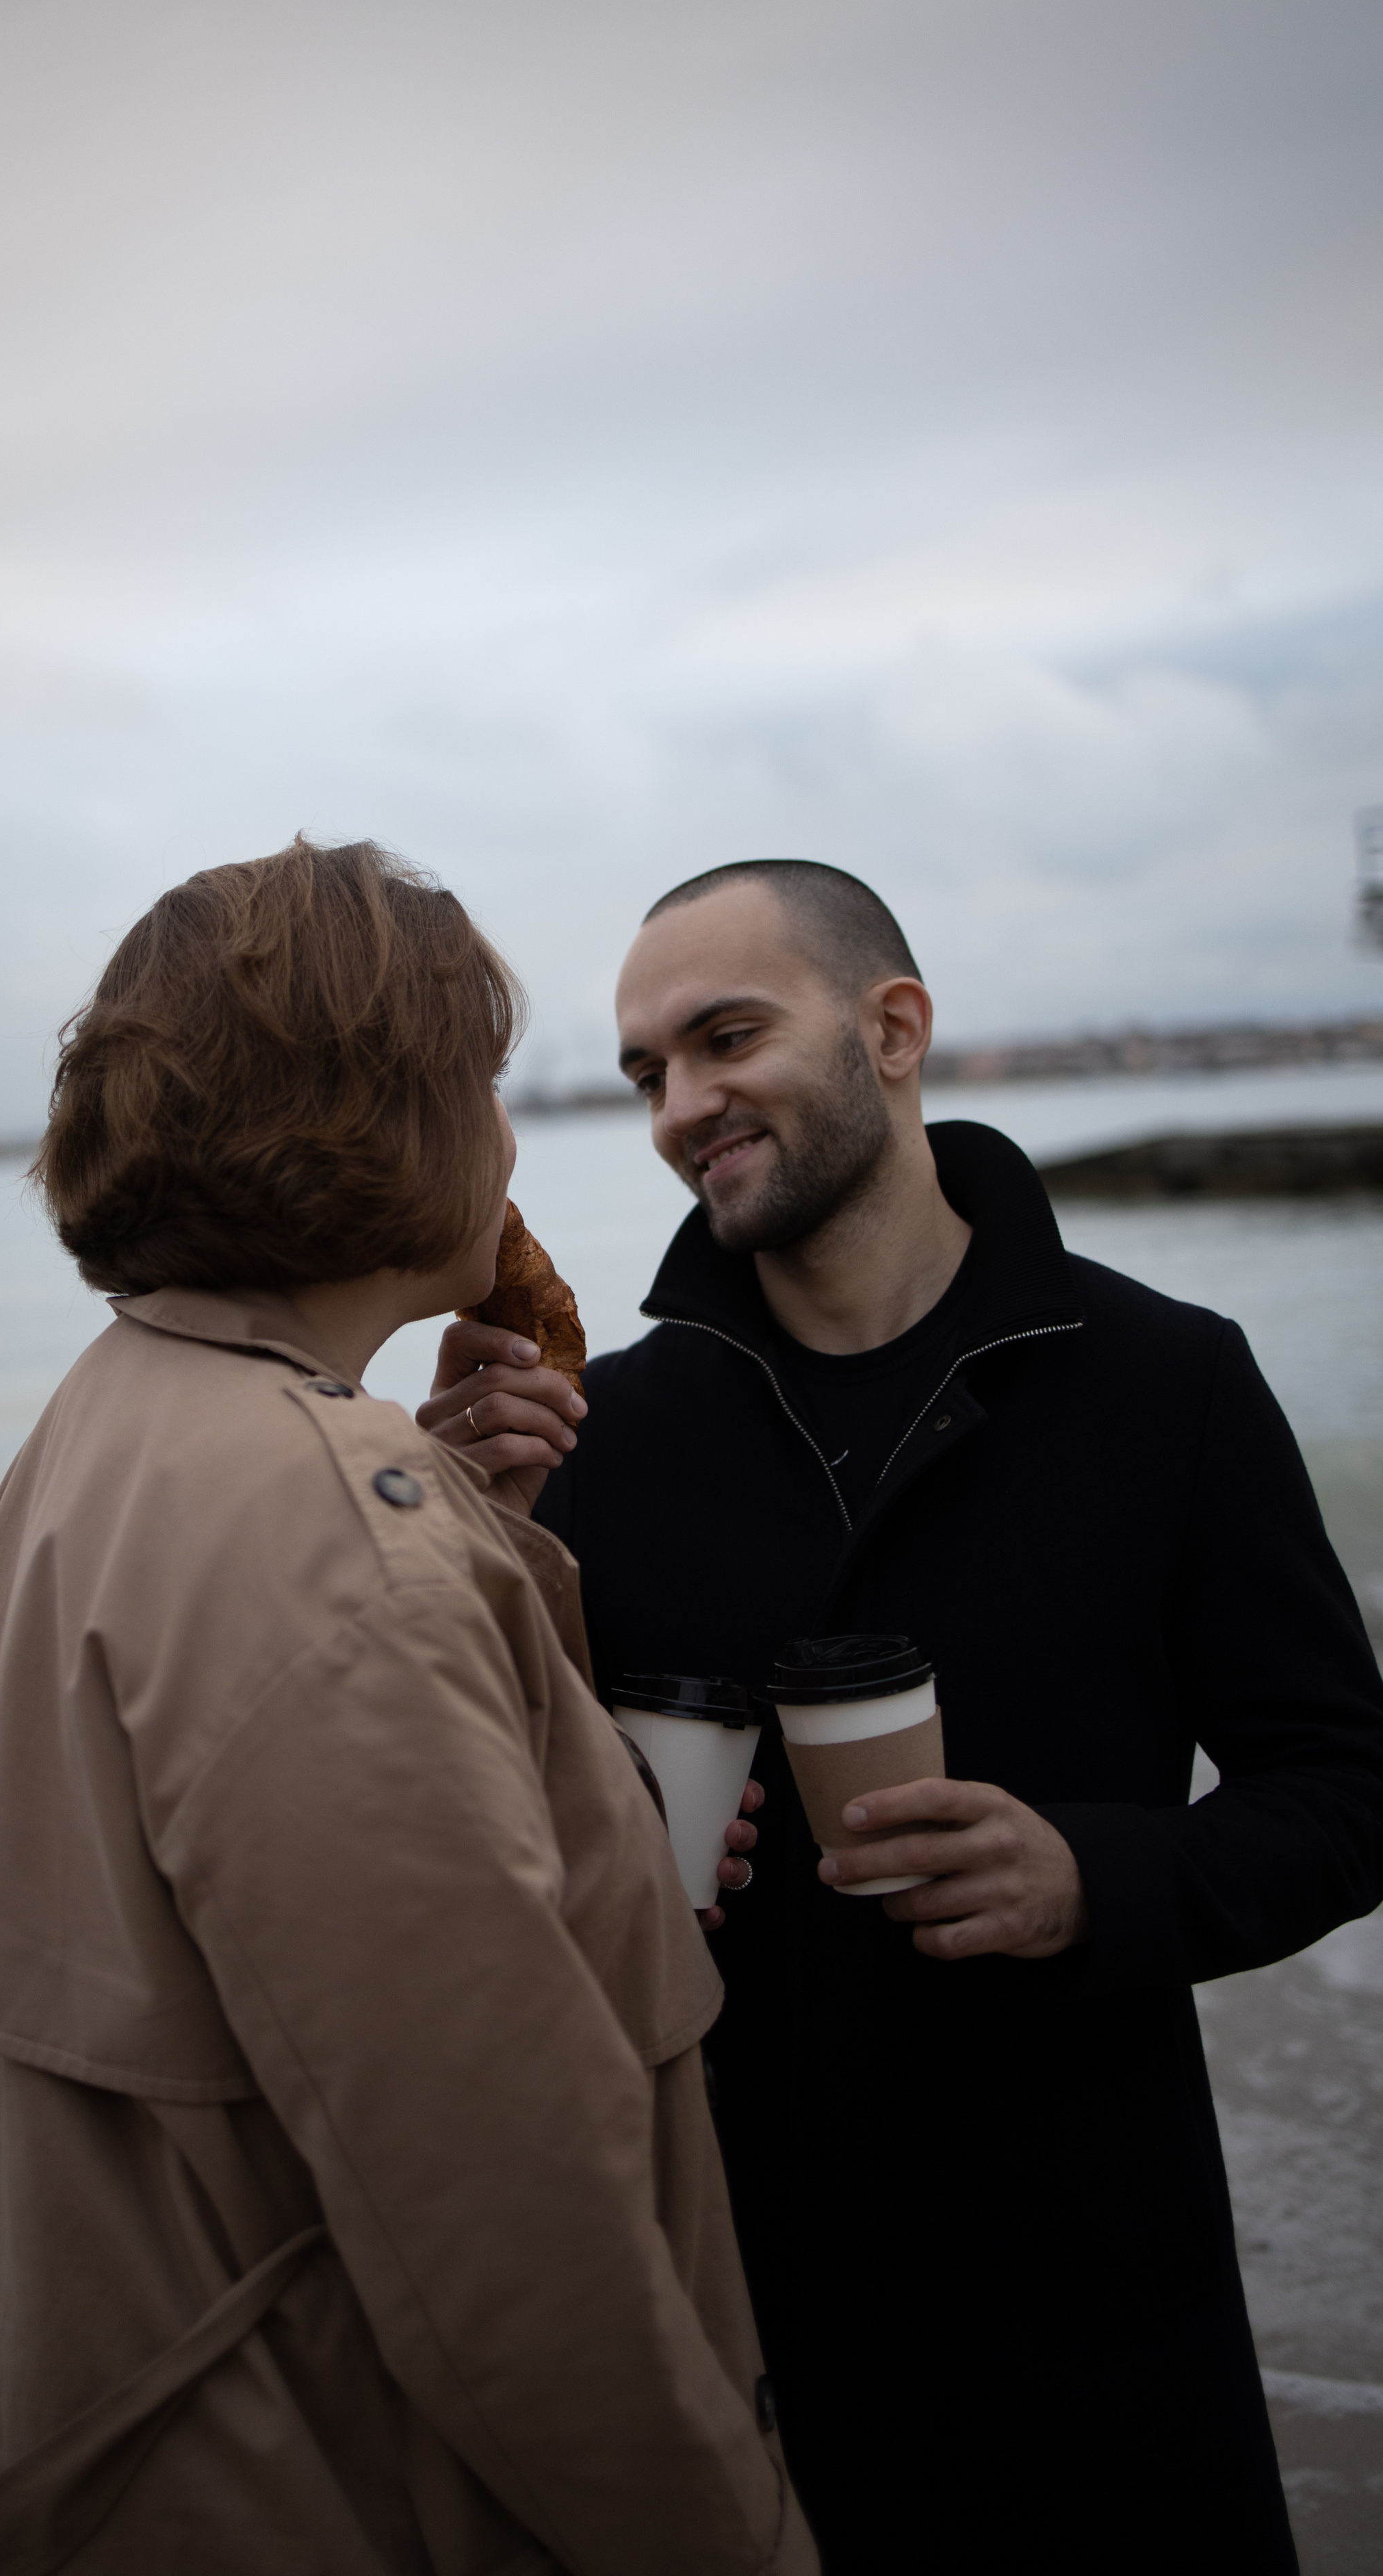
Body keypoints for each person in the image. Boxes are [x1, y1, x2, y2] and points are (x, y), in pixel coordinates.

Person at [419, 858, 1383, 2576]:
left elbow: (1345, 1786)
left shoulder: (1165, 1385)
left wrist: (1096, 1879)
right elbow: (486, 1848)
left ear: (893, 1029)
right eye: (647, 1071)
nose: (679, 1106)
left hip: (1096, 2299)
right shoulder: (606, 1443)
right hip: (733, 2316)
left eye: (724, 1038)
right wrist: (458, 1538)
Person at [0, 841, 816, 2576]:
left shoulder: (107, 1423)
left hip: (123, 2442)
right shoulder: (330, 1532)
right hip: (321, 2487)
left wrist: (461, 1525)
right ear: (380, 1113)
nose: (510, 1136)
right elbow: (507, 2230)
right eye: (477, 1081)